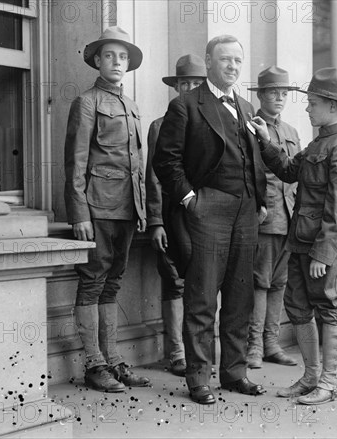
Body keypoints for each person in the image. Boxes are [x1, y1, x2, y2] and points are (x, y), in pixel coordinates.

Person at [153, 35, 267, 405]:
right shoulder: (185, 105)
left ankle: (235, 373)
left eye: (237, 60)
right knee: (202, 296)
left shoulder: (248, 108)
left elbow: (256, 159)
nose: (232, 67)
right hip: (208, 208)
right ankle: (199, 377)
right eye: (224, 60)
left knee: (239, 296)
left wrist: (259, 201)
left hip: (246, 211)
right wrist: (191, 200)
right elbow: (165, 161)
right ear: (209, 62)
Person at [250, 67, 337, 405]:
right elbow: (287, 170)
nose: (307, 109)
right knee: (297, 306)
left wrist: (323, 254)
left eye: (312, 103)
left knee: (328, 307)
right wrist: (267, 144)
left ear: (331, 105)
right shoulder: (319, 142)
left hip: (324, 247)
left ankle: (329, 382)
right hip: (300, 241)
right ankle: (312, 376)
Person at [64, 26, 149, 392]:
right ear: (97, 61)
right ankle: (94, 363)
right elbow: (75, 163)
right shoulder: (86, 102)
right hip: (97, 208)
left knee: (113, 283)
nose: (117, 62)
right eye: (110, 55)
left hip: (127, 208)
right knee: (92, 282)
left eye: (123, 57)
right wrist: (79, 213)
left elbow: (137, 165)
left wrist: (143, 209)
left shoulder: (131, 106)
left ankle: (113, 360)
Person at [145, 54, 206, 377]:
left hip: (204, 214)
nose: (190, 89)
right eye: (184, 84)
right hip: (172, 214)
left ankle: (201, 351)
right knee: (175, 281)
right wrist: (155, 220)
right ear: (176, 88)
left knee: (205, 280)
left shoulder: (213, 122)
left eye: (196, 84)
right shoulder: (161, 125)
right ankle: (177, 353)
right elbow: (154, 176)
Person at [245, 66, 301, 369]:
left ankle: (271, 343)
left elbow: (296, 173)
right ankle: (254, 346)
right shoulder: (250, 126)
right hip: (264, 216)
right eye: (272, 92)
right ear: (261, 95)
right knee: (260, 282)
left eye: (283, 93)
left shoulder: (291, 131)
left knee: (279, 283)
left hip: (288, 217)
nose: (279, 98)